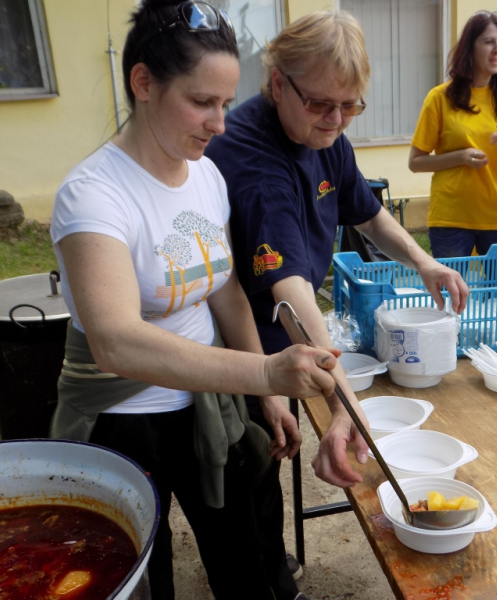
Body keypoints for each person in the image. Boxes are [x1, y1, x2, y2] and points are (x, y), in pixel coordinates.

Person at [49, 2, 346, 599]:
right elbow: (115, 338)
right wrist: (262, 369)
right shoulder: (93, 195)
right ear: (144, 83)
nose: (219, 123)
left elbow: (226, 289)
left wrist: (263, 394)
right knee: (136, 576)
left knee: (251, 557)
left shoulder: (205, 176)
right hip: (123, 421)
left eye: (227, 104)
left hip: (209, 402)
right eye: (202, 102)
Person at [206, 9, 469, 596]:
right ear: (278, 84)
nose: (337, 119)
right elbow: (291, 290)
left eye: (351, 106)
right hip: (235, 339)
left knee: (268, 463)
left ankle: (273, 573)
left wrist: (423, 260)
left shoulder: (325, 134)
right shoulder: (252, 157)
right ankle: (255, 581)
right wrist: (343, 405)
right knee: (242, 473)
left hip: (282, 334)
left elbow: (367, 213)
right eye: (323, 104)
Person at [409, 10, 497, 258]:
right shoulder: (440, 97)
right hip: (451, 218)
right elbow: (415, 162)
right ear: (470, 48)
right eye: (488, 42)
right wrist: (461, 157)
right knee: (452, 295)